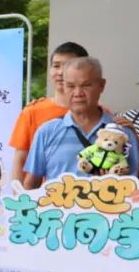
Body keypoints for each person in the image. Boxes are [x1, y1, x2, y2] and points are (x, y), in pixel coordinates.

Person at [23, 57, 139, 188]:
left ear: (101, 85)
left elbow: (134, 185)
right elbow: (31, 185)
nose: (78, 93)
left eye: (86, 85)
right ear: (63, 87)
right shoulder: (46, 132)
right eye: (70, 86)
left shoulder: (122, 132)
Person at [8, 41, 90, 183]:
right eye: (56, 66)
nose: (60, 72)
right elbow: (20, 160)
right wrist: (19, 195)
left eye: (67, 66)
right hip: (41, 195)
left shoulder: (99, 114)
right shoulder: (32, 112)